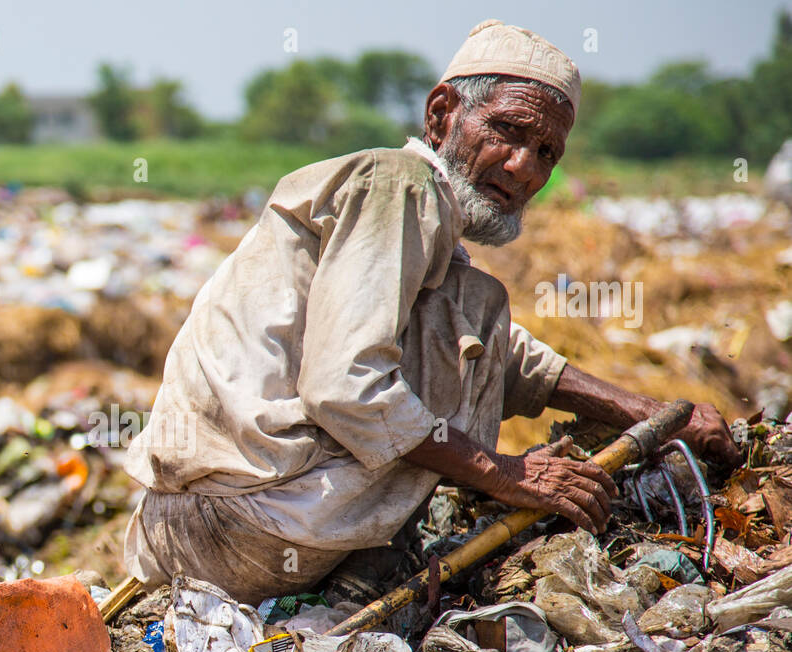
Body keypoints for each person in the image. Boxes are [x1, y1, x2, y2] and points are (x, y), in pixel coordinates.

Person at [123, 19, 739, 606]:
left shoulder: (428, 228)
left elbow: (506, 357)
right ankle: (379, 562)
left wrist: (653, 415)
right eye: (507, 131)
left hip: (223, 526)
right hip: (246, 516)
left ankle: (369, 568)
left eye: (547, 152)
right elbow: (345, 385)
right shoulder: (399, 184)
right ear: (443, 114)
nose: (524, 167)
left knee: (471, 302)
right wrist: (503, 474)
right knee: (469, 308)